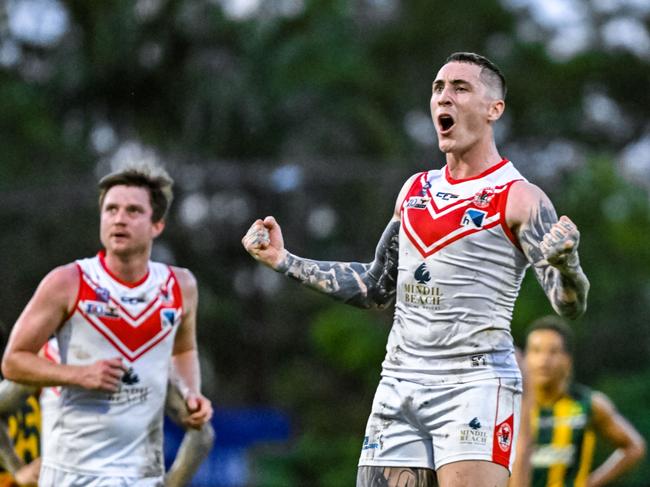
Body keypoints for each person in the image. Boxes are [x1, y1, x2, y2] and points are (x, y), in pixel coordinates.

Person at [242, 52, 590, 487]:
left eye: (460, 88)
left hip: (476, 383)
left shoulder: (520, 197)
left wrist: (568, 264)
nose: (444, 97)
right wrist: (283, 260)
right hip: (400, 380)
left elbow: (567, 304)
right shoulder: (414, 190)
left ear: (493, 109)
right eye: (438, 88)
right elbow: (376, 287)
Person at [1, 162, 213, 486]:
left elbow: (183, 349)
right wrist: (79, 374)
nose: (119, 218)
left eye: (132, 211)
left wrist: (191, 392)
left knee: (205, 433)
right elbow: (13, 361)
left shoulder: (181, 285)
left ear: (157, 225)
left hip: (143, 475)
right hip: (73, 477)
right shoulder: (67, 281)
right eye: (111, 209)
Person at [0, 339, 215, 487]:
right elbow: (202, 435)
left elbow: (202, 434)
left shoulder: (145, 364)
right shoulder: (52, 356)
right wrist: (18, 472)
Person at [522, 315, 645, 487]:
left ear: (567, 359)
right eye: (536, 351)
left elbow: (634, 447)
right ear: (524, 358)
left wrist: (591, 483)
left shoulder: (588, 404)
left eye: (553, 351)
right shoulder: (510, 405)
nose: (543, 360)